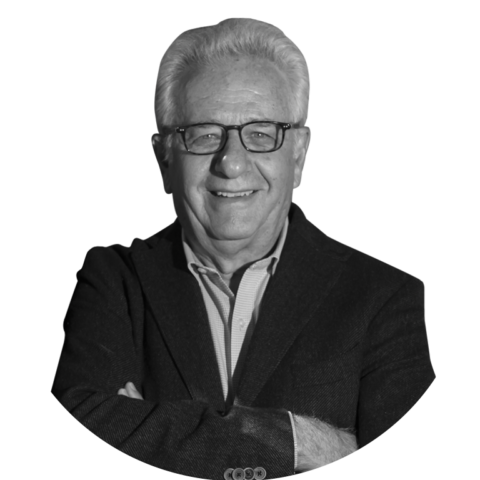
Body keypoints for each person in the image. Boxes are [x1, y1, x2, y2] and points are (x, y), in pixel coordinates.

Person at [51, 17, 435, 479]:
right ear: (164, 160)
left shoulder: (385, 295)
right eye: (204, 134)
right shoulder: (113, 279)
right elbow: (83, 419)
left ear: (299, 155)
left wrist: (146, 430)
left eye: (260, 133)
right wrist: (298, 440)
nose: (231, 163)